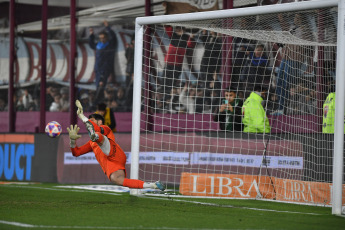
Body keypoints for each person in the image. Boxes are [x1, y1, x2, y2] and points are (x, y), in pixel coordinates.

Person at [67, 100, 165, 191]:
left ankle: (95, 136)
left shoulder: (105, 128)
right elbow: (76, 153)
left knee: (99, 135)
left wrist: (82, 116)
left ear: (99, 121)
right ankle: (153, 185)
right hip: (112, 164)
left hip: (114, 153)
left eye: (92, 120)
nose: (90, 123)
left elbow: (97, 129)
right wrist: (72, 141)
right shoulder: (91, 143)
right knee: (117, 180)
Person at [89, 20, 117, 102]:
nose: (102, 39)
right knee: (98, 85)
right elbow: (91, 44)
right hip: (97, 68)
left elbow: (114, 37)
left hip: (105, 68)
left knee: (102, 84)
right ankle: (98, 101)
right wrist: (91, 34)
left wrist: (108, 27)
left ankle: (98, 100)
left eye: (103, 38)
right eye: (100, 38)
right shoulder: (98, 45)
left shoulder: (110, 45)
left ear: (106, 38)